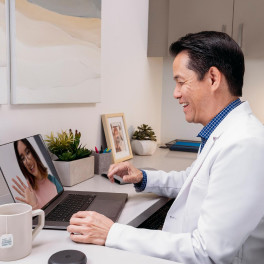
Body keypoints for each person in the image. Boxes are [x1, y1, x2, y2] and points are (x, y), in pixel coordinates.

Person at [67, 31, 264, 264]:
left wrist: (112, 233)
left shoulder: (244, 144)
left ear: (212, 78)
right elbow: (192, 182)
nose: (176, 93)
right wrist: (143, 178)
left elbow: (207, 252)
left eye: (181, 82)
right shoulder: (224, 133)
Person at [12, 138, 63, 209]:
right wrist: (34, 207)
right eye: (23, 158)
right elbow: (38, 219)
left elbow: (64, 203)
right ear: (22, 165)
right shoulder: (29, 194)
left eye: (27, 152)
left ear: (33, 153)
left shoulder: (52, 179)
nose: (28, 162)